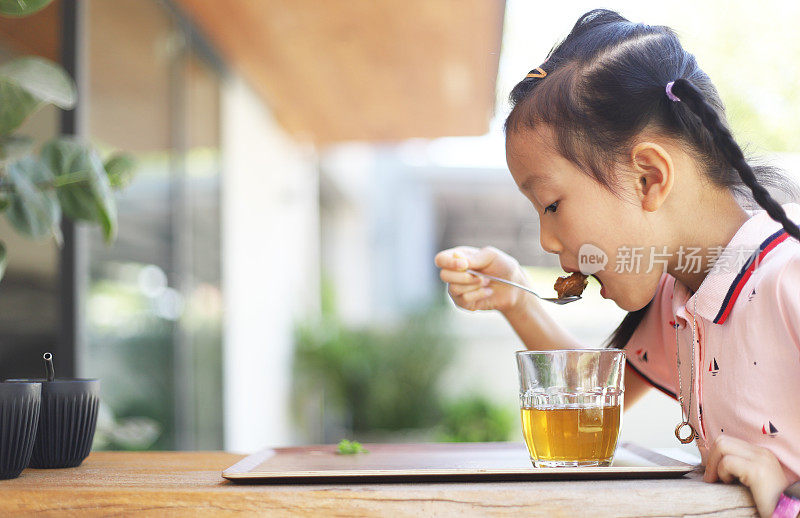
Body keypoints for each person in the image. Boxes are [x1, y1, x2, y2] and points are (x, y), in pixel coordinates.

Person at [435, 9, 800, 518]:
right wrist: (514, 295)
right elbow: (591, 393)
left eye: (552, 205)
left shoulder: (789, 279)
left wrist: (787, 501)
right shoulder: (681, 297)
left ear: (648, 176)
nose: (545, 239)